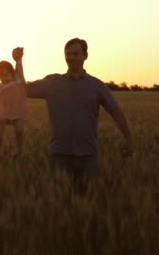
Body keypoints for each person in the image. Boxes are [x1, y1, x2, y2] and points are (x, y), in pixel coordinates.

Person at [23, 38, 134, 193]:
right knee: (59, 202)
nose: (71, 58)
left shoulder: (97, 85)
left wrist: (129, 139)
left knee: (88, 199)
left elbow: (116, 112)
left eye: (76, 54)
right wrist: (18, 62)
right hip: (59, 154)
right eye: (68, 54)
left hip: (87, 155)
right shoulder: (52, 82)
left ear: (85, 55)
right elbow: (24, 90)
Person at [0, 47, 28, 157]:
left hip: (19, 112)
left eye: (6, 75)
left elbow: (19, 70)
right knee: (0, 119)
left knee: (19, 130)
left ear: (12, 74)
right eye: (1, 76)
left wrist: (18, 60)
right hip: (6, 112)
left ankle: (19, 150)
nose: (5, 78)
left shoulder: (17, 80)